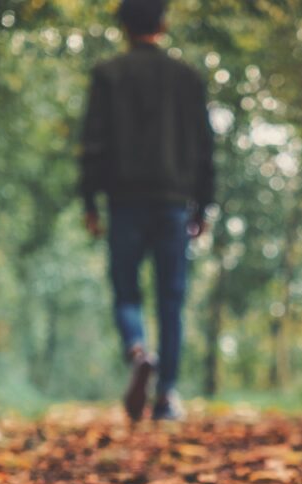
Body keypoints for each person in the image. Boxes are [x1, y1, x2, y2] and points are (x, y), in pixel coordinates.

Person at [80, 0, 215, 422]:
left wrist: (89, 201)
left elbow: (92, 143)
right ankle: (167, 397)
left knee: (126, 290)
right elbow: (204, 147)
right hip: (174, 203)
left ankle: (138, 349)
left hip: (124, 201)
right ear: (163, 23)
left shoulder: (107, 75)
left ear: (123, 27)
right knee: (171, 298)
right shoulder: (187, 78)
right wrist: (204, 204)